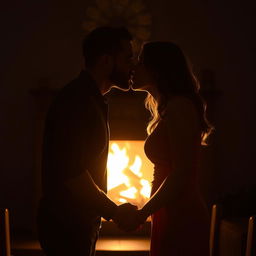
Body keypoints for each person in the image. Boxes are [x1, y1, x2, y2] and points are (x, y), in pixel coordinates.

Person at [37, 26, 137, 256]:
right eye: (128, 57)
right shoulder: (77, 101)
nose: (132, 65)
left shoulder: (90, 99)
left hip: (76, 224)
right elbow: (73, 174)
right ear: (105, 60)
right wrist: (114, 211)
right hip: (66, 226)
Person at [129, 41, 214, 255]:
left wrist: (144, 212)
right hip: (168, 211)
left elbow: (181, 174)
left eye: (140, 62)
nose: (134, 67)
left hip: (182, 214)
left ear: (157, 70)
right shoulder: (168, 109)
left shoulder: (179, 107)